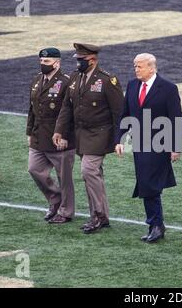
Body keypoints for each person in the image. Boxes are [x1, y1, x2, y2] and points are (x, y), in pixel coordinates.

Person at [54, 43, 124, 234]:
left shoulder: (108, 80)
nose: (78, 63)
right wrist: (59, 130)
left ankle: (99, 215)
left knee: (88, 171)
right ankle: (100, 215)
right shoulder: (75, 78)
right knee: (92, 175)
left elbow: (119, 113)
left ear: (92, 60)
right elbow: (67, 107)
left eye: (81, 60)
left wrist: (119, 139)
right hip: (81, 135)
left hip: (101, 134)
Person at [115, 53, 182, 243]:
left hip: (159, 145)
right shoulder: (133, 85)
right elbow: (125, 114)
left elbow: (175, 118)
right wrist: (119, 138)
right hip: (139, 145)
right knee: (146, 182)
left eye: (140, 66)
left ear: (152, 68)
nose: (136, 69)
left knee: (150, 183)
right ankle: (156, 224)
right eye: (135, 66)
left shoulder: (168, 88)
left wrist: (175, 147)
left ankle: (156, 225)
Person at [27, 47, 76, 223]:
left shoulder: (66, 82)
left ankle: (65, 212)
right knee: (34, 169)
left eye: (46, 62)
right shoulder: (36, 80)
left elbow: (70, 113)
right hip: (39, 135)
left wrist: (63, 135)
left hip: (60, 139)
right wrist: (29, 131)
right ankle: (55, 200)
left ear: (57, 62)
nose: (43, 64)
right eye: (41, 61)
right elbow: (31, 109)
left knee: (64, 178)